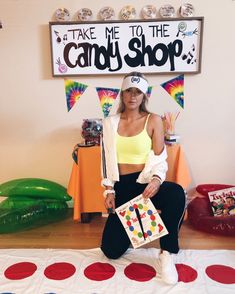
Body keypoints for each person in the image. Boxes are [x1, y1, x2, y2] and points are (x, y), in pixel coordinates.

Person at [100, 71, 186, 285]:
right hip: (122, 187)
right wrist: (109, 190)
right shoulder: (109, 123)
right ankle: (136, 227)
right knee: (110, 251)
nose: (132, 96)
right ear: (122, 93)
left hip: (145, 184)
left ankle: (167, 253)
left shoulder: (153, 120)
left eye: (137, 92)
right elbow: (105, 158)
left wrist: (157, 180)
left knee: (175, 193)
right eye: (128, 91)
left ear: (144, 95)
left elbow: (159, 157)